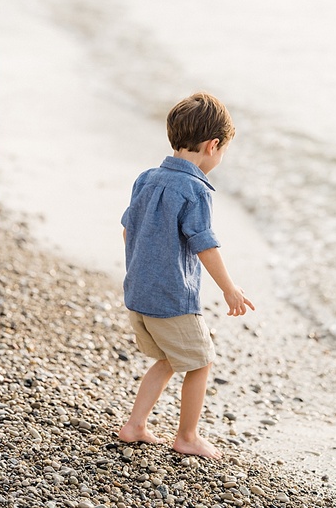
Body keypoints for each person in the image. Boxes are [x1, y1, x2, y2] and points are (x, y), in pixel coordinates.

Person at [117, 92, 255, 459]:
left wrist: (141, 268)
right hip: (171, 298)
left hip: (138, 292)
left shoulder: (146, 178)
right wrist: (230, 289)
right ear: (213, 146)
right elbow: (204, 245)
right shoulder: (195, 189)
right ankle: (188, 436)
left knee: (166, 358)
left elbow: (128, 229)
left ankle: (135, 426)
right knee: (200, 361)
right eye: (222, 152)